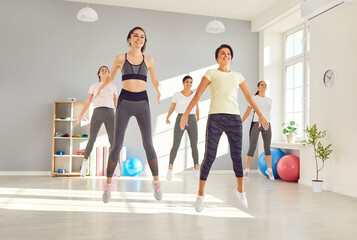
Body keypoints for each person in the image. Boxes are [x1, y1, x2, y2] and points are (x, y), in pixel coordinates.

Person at [180, 44, 269, 212]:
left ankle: (241, 191)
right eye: (222, 53)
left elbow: (250, 97)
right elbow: (197, 94)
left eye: (228, 54)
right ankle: (200, 195)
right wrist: (185, 114)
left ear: (231, 57)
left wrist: (261, 115)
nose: (226, 56)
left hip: (234, 118)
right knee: (210, 156)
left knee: (236, 156)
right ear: (217, 57)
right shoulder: (211, 73)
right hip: (216, 117)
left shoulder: (237, 76)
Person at [95, 27, 162, 202]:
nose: (139, 39)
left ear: (144, 41)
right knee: (116, 145)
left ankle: (157, 183)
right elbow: (110, 78)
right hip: (124, 102)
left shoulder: (149, 60)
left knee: (148, 143)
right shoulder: (120, 58)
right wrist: (101, 88)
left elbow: (154, 78)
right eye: (136, 36)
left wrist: (159, 90)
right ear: (129, 39)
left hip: (142, 102)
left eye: (142, 37)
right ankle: (108, 187)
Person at [73, 66, 117, 177]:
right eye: (102, 70)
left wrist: (121, 120)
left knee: (113, 142)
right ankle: (85, 163)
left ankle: (116, 166)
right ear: (98, 73)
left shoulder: (113, 87)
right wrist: (79, 117)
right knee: (91, 140)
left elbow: (117, 105)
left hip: (110, 114)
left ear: (108, 74)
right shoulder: (94, 86)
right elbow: (88, 102)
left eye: (106, 70)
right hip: (97, 113)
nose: (104, 71)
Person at [166, 76, 200, 181]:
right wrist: (168, 117)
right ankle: (170, 168)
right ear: (183, 83)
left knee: (194, 145)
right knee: (175, 145)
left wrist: (196, 118)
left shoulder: (195, 95)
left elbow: (197, 107)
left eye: (191, 82)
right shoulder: (177, 95)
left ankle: (196, 168)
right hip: (180, 118)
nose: (189, 84)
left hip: (192, 119)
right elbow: (172, 107)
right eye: (187, 82)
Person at [241, 81, 274, 180]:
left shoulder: (269, 100)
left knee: (267, 147)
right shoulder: (254, 98)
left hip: (267, 124)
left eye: (265, 85)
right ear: (258, 87)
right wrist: (241, 121)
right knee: (252, 147)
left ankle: (269, 169)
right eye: (262, 85)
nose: (264, 86)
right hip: (256, 124)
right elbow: (248, 112)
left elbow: (267, 113)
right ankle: (247, 170)